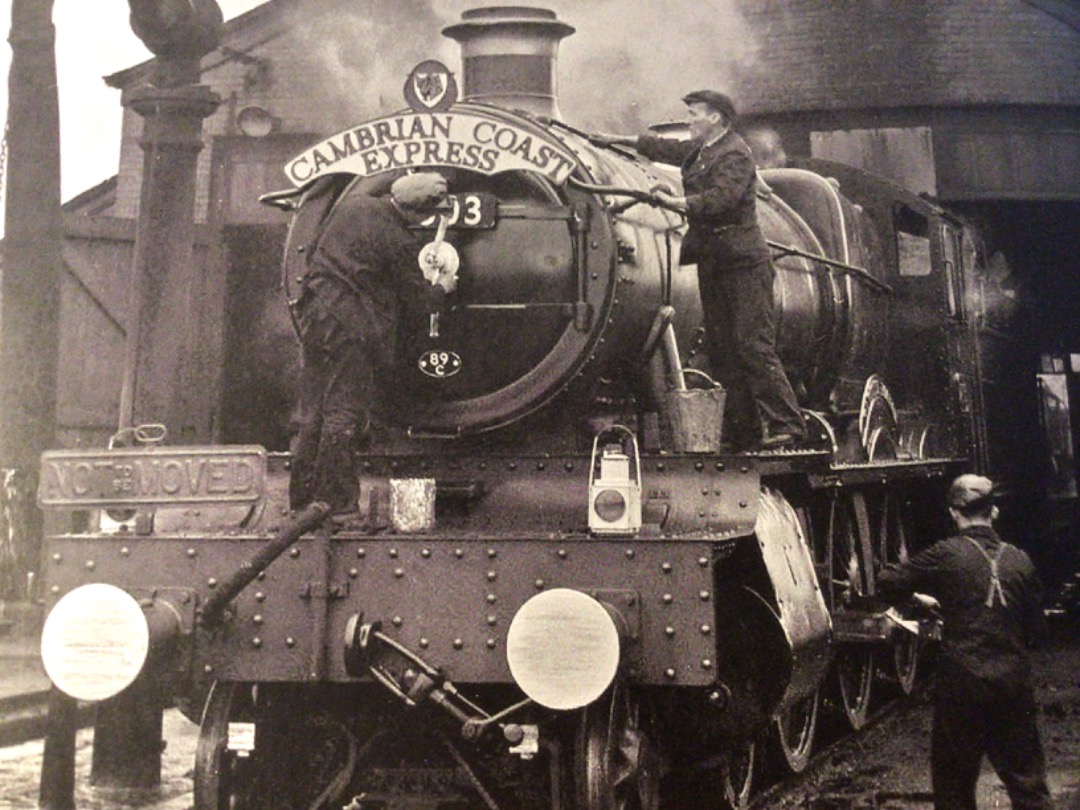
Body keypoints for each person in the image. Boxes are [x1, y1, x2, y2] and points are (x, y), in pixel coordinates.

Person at [592, 90, 805, 449]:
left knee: (753, 346)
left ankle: (788, 425)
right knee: (722, 351)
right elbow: (661, 148)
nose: (689, 120)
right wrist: (613, 140)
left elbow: (721, 200)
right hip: (714, 260)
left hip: (743, 263)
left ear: (716, 118)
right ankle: (743, 432)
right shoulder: (701, 149)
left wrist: (672, 200)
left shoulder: (735, 153)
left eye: (695, 114)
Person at [877, 474, 1055, 810]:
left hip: (962, 687)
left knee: (954, 789)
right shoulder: (1020, 560)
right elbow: (1037, 634)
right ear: (995, 512)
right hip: (1013, 686)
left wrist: (920, 600)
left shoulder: (946, 554)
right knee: (1029, 785)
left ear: (954, 512)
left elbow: (889, 581)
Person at [289, 172, 457, 516]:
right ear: (420, 211)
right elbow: (419, 301)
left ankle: (302, 500)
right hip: (350, 328)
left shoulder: (353, 205)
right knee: (343, 413)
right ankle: (336, 504)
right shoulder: (397, 238)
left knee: (312, 413)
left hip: (314, 315)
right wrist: (443, 287)